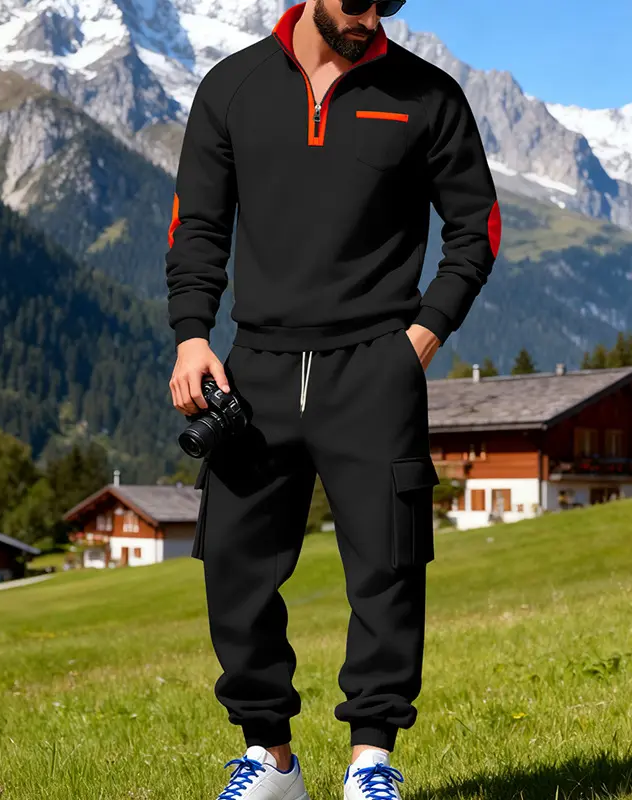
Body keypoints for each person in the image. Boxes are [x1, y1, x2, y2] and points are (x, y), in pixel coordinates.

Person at [165, 0, 501, 797]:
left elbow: (477, 228)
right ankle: (271, 760)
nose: (370, 17)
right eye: (357, 1)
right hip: (255, 372)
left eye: (388, 3)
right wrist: (191, 335)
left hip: (375, 370)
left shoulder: (428, 96)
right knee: (235, 569)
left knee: (388, 569)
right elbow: (198, 224)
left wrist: (420, 340)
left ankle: (370, 764)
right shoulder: (233, 87)